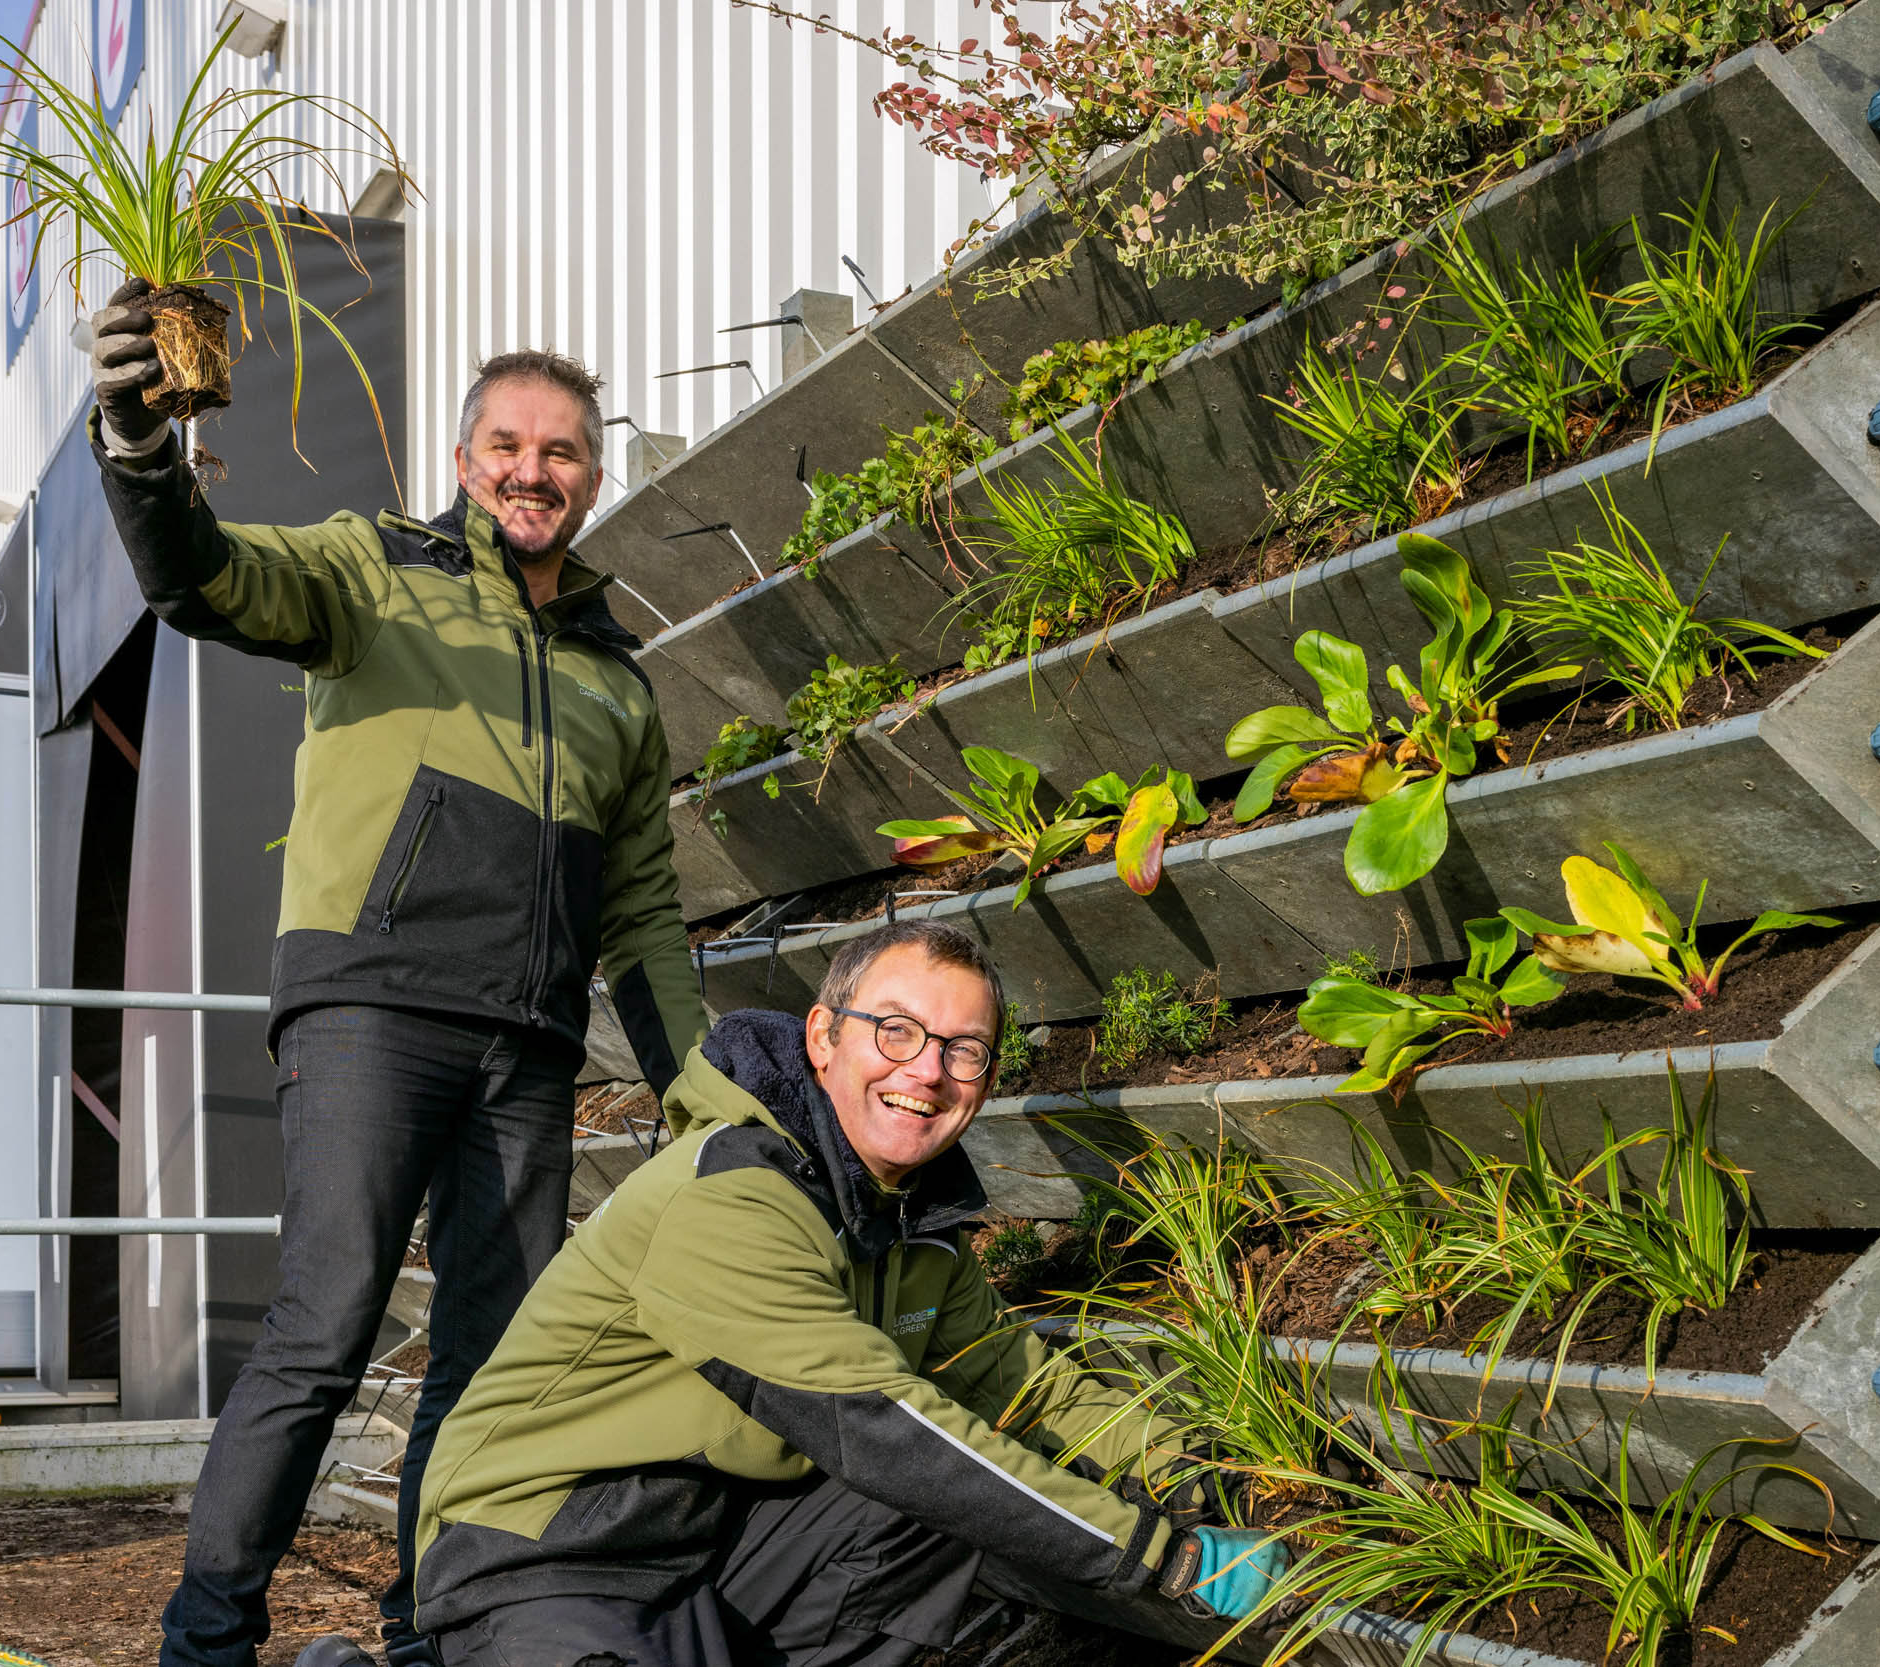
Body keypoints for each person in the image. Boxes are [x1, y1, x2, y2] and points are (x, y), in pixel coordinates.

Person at [86, 282, 710, 1667]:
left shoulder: (618, 677)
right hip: (374, 1003)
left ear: (595, 475)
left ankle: (432, 1631)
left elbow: (647, 917)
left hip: (529, 1043)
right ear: (464, 454)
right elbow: (205, 577)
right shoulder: (377, 566)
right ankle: (208, 1640)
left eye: (561, 452)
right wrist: (137, 447)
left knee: (490, 1367)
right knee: (325, 1323)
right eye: (508, 445)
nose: (532, 471)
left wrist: (704, 1094)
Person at [384, 919, 1289, 1667]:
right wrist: (1159, 1555)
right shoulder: (730, 1195)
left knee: (925, 1508)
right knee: (921, 1465)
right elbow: (879, 1424)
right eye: (895, 1030)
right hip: (547, 1556)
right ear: (823, 1037)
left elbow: (1027, 1387)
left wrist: (1205, 1470)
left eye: (963, 1050)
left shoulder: (908, 1227)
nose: (925, 1070)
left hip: (709, 1547)